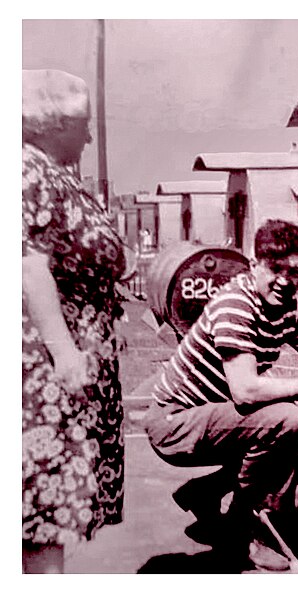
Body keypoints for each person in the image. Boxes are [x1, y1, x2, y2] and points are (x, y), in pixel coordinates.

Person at [143, 219, 298, 571]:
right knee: (285, 418)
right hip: (175, 423)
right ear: (255, 265)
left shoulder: (293, 311)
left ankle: (205, 492)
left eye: (295, 272)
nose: (285, 281)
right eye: (275, 269)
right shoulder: (235, 305)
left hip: (218, 418)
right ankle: (247, 533)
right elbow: (246, 391)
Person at [22, 69, 126, 573]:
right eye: (80, 124)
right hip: (46, 369)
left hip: (75, 357)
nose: (88, 135)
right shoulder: (26, 168)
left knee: (54, 509)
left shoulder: (52, 170)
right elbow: (26, 261)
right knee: (43, 508)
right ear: (45, 123)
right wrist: (64, 351)